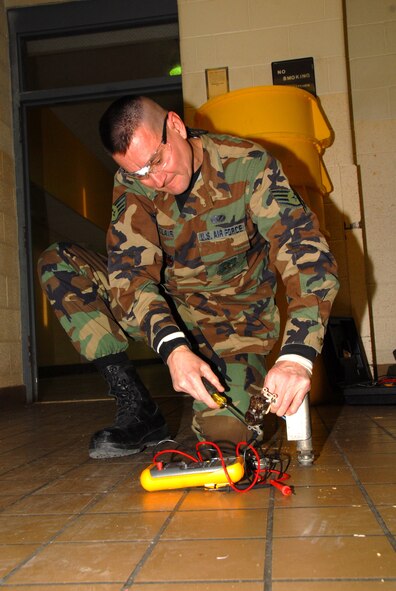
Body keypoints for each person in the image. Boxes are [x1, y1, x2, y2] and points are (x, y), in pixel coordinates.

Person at [38, 95, 339, 459]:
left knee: (222, 443)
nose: (156, 180)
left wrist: (297, 356)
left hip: (234, 326)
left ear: (176, 127)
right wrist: (173, 347)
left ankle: (237, 406)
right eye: (139, 174)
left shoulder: (246, 164)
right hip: (168, 312)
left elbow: (304, 251)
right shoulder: (134, 183)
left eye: (157, 161)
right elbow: (130, 273)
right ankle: (137, 407)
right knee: (59, 263)